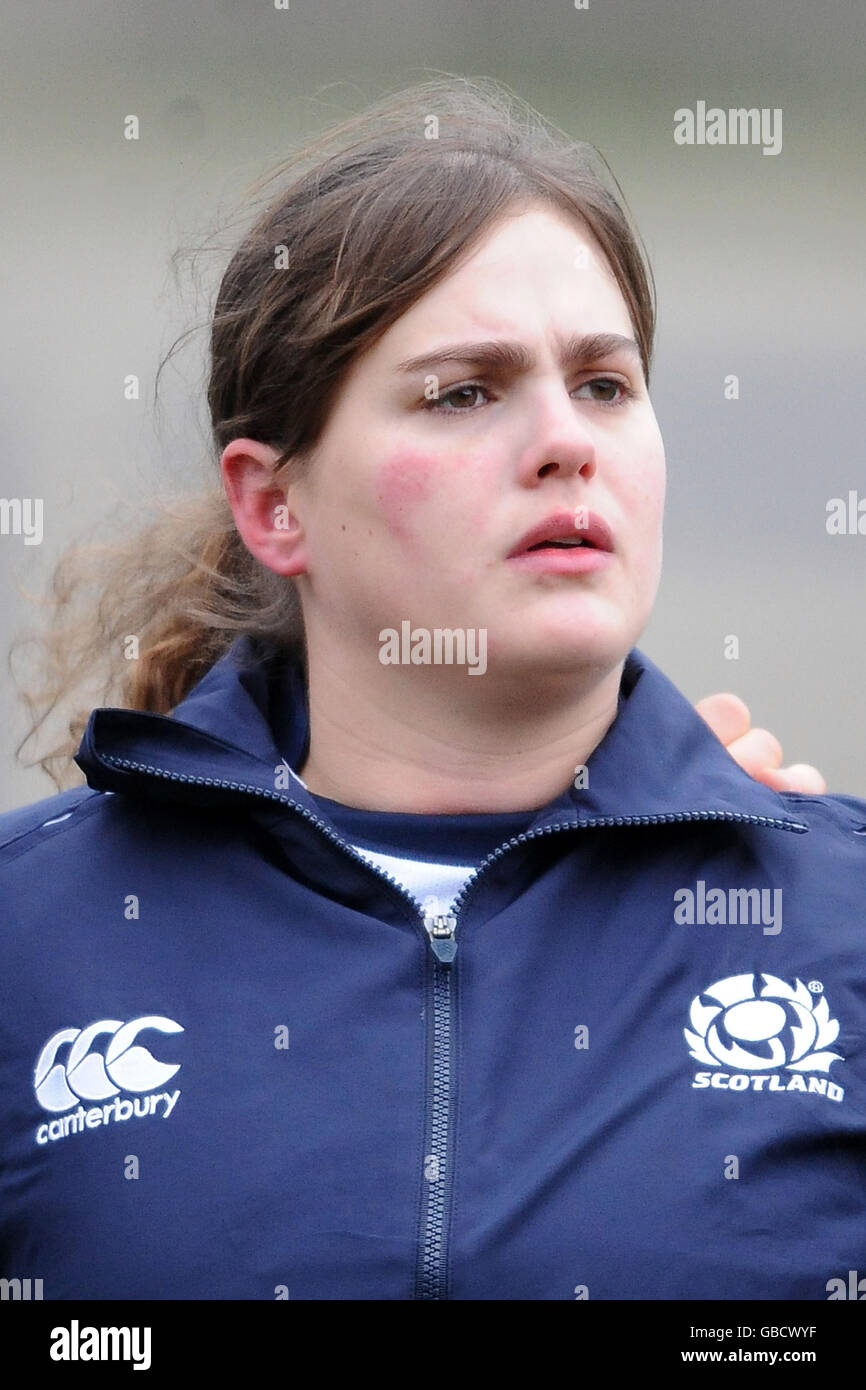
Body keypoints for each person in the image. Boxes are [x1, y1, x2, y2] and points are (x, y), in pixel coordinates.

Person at [1, 77, 859, 1303]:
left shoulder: (834, 922)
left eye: (604, 384)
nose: (566, 439)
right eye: (465, 391)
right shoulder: (30, 939)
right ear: (271, 504)